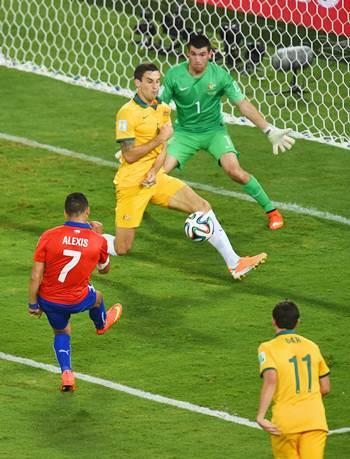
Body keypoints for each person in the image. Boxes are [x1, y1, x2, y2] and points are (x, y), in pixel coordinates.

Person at [103, 63, 267, 280]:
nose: (155, 87)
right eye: (149, 81)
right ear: (137, 83)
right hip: (131, 185)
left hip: (155, 179)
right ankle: (91, 237)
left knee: (202, 207)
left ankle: (235, 263)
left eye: (158, 81)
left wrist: (154, 171)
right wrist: (160, 138)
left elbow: (163, 149)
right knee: (122, 247)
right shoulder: (126, 113)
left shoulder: (162, 109)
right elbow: (130, 155)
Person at [160, 34, 295, 230]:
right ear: (187, 54)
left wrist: (268, 129)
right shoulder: (174, 74)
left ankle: (272, 212)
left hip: (214, 132)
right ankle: (140, 202)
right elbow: (158, 106)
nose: (198, 59)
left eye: (202, 54)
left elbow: (242, 104)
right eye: (193, 54)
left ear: (210, 55)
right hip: (184, 133)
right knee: (159, 171)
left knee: (235, 172)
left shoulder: (220, 75)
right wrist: (145, 139)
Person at [28, 192, 123, 392]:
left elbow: (35, 275)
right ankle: (101, 324)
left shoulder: (49, 236)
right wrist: (98, 236)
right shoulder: (97, 240)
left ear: (65, 212)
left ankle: (67, 373)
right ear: (87, 212)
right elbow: (104, 270)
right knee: (97, 298)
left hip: (49, 300)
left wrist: (33, 304)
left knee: (62, 331)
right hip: (78, 299)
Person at [257, 300, 330, 459]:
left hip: (286, 424)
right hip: (315, 421)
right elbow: (325, 387)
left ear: (273, 321)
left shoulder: (267, 347)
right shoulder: (312, 346)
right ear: (297, 322)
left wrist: (261, 416)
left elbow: (271, 379)